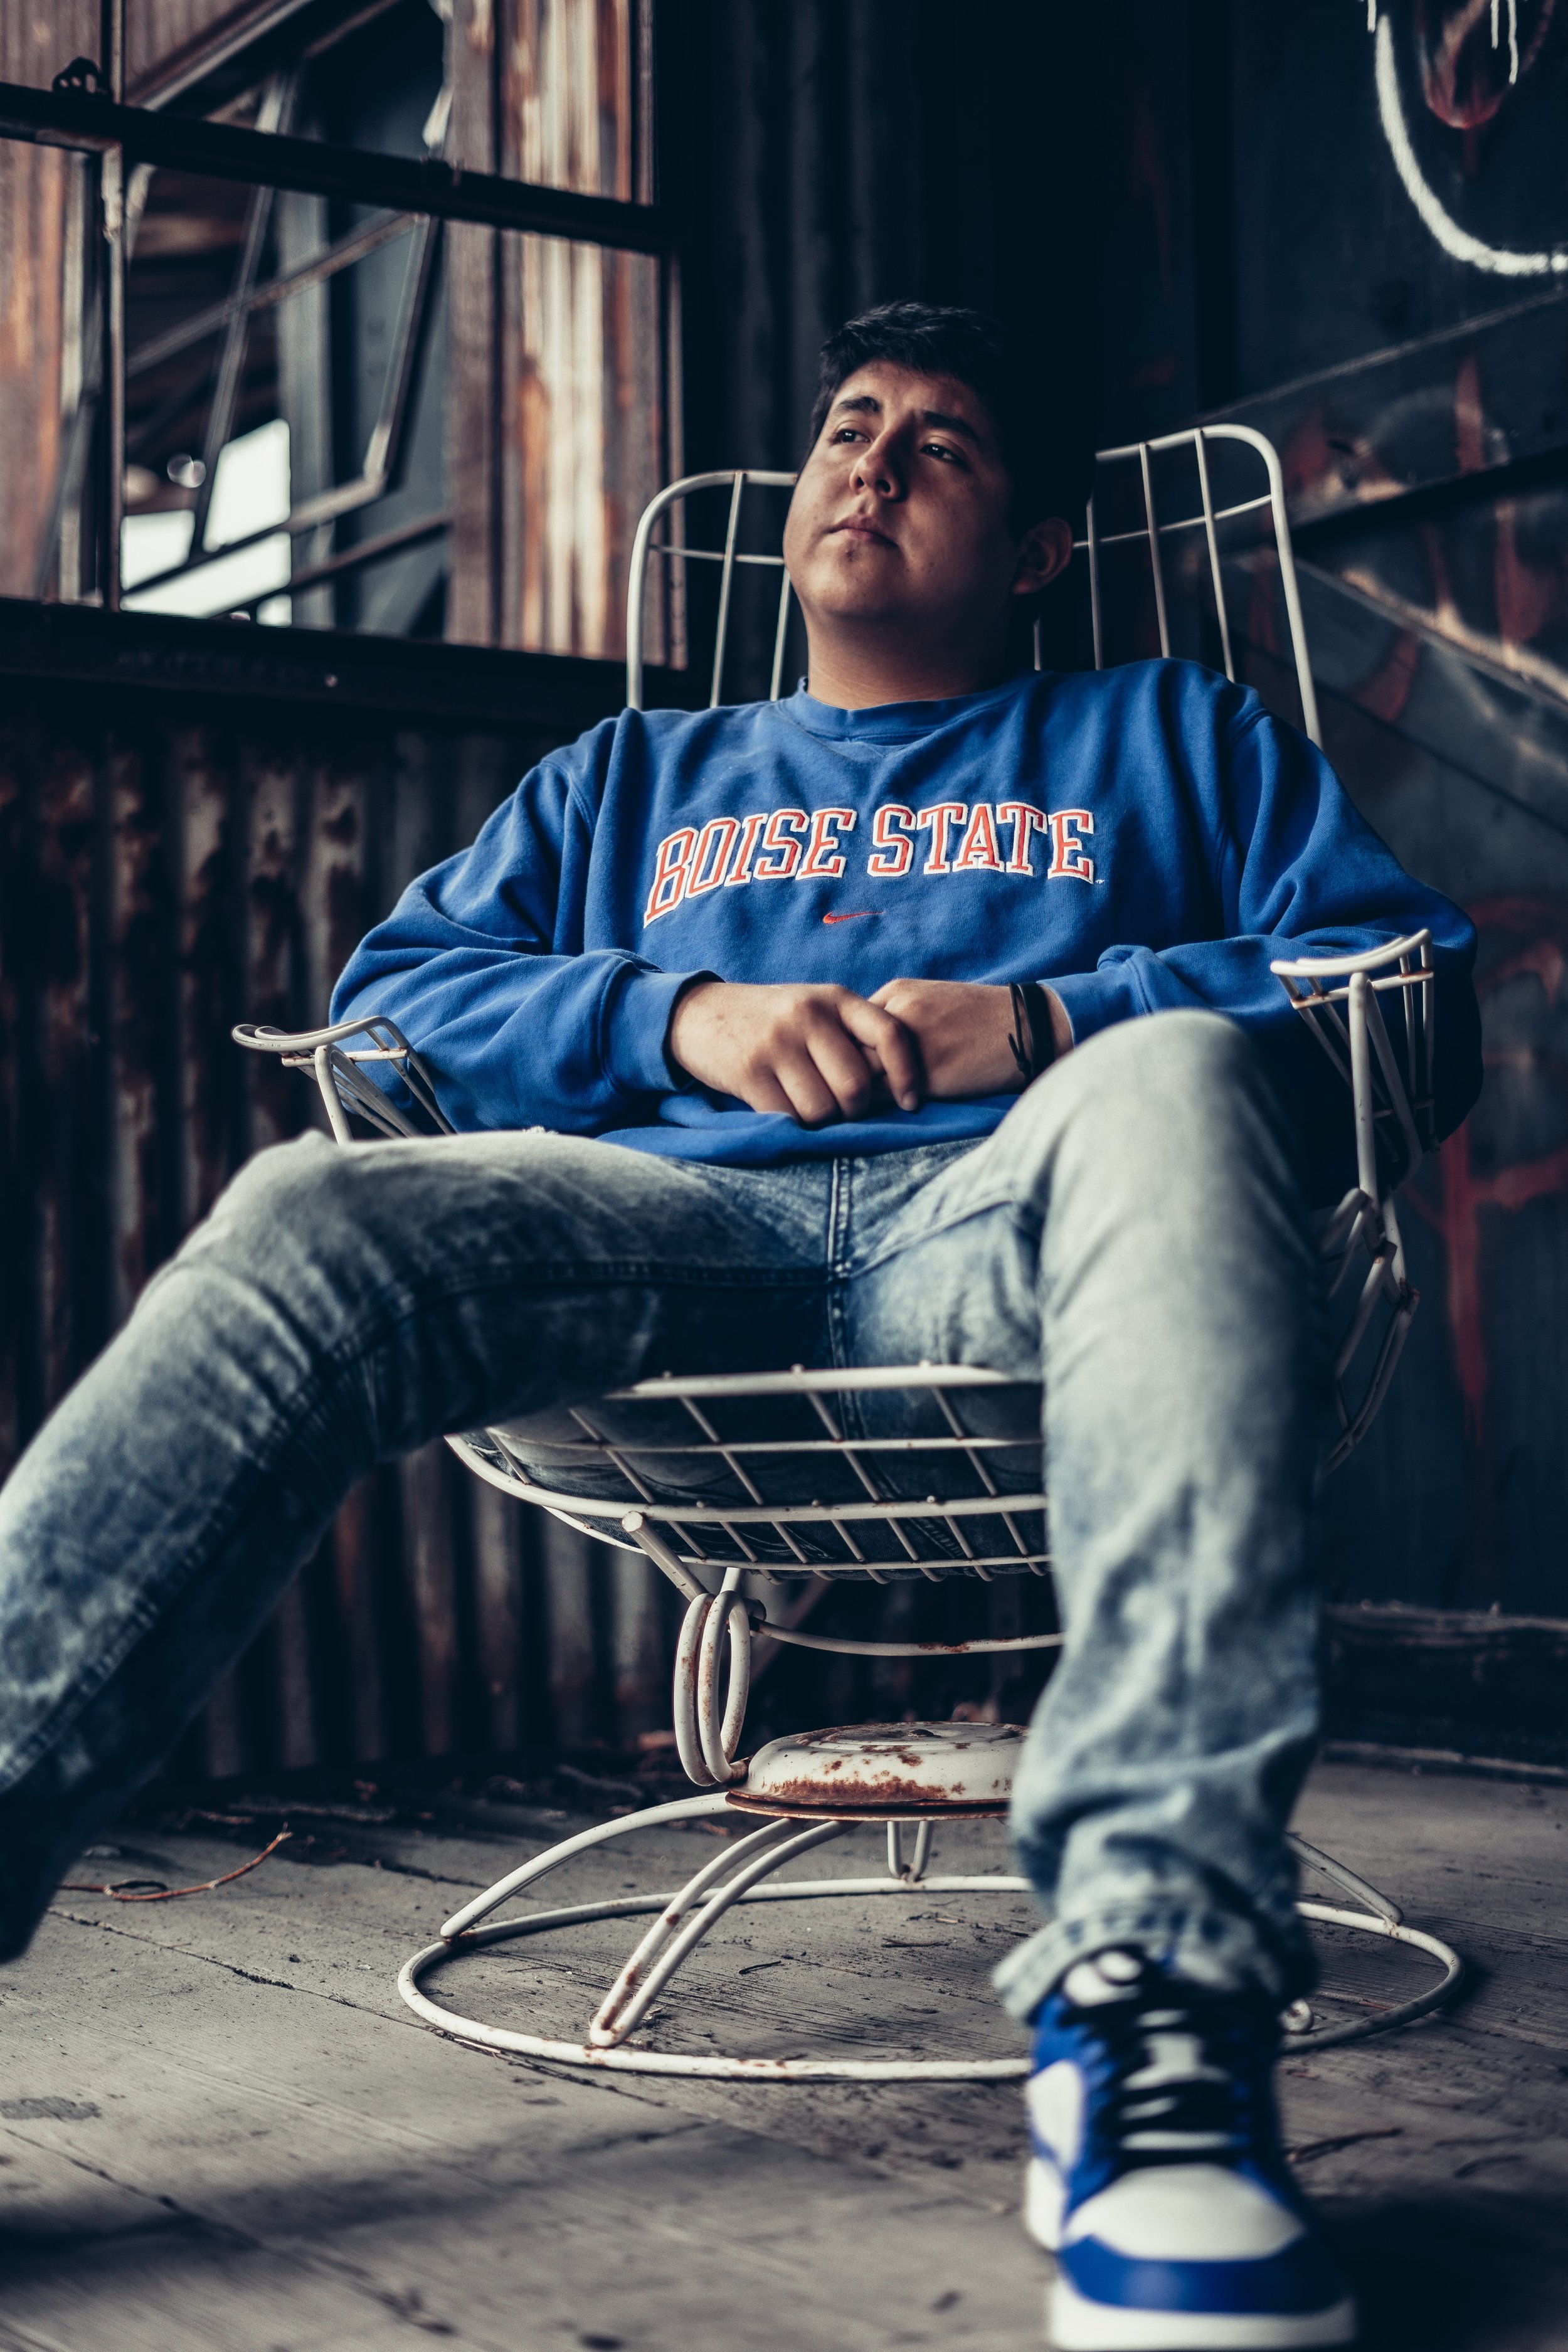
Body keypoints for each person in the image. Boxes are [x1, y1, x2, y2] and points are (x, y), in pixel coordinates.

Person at [0, 302, 1479, 2350]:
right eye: (849, 429)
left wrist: (1052, 1017)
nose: (870, 462)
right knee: (310, 1203)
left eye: (940, 443)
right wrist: (668, 1015)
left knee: (1173, 1076)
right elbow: (402, 993)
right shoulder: (635, 777)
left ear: (1040, 545)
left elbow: (1404, 986)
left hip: (1013, 1231)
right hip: (674, 1229)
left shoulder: (1169, 738)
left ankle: (1158, 2009)